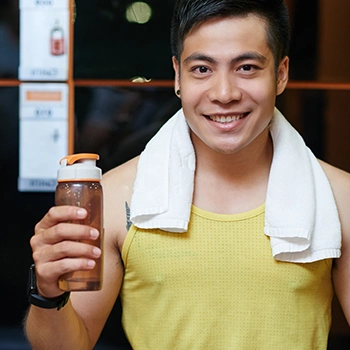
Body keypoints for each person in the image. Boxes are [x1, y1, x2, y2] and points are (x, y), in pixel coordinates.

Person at [24, 0, 350, 349]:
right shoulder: (115, 199)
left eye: (247, 67)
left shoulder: (337, 198)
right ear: (178, 75)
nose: (224, 94)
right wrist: (47, 291)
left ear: (281, 74)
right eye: (202, 70)